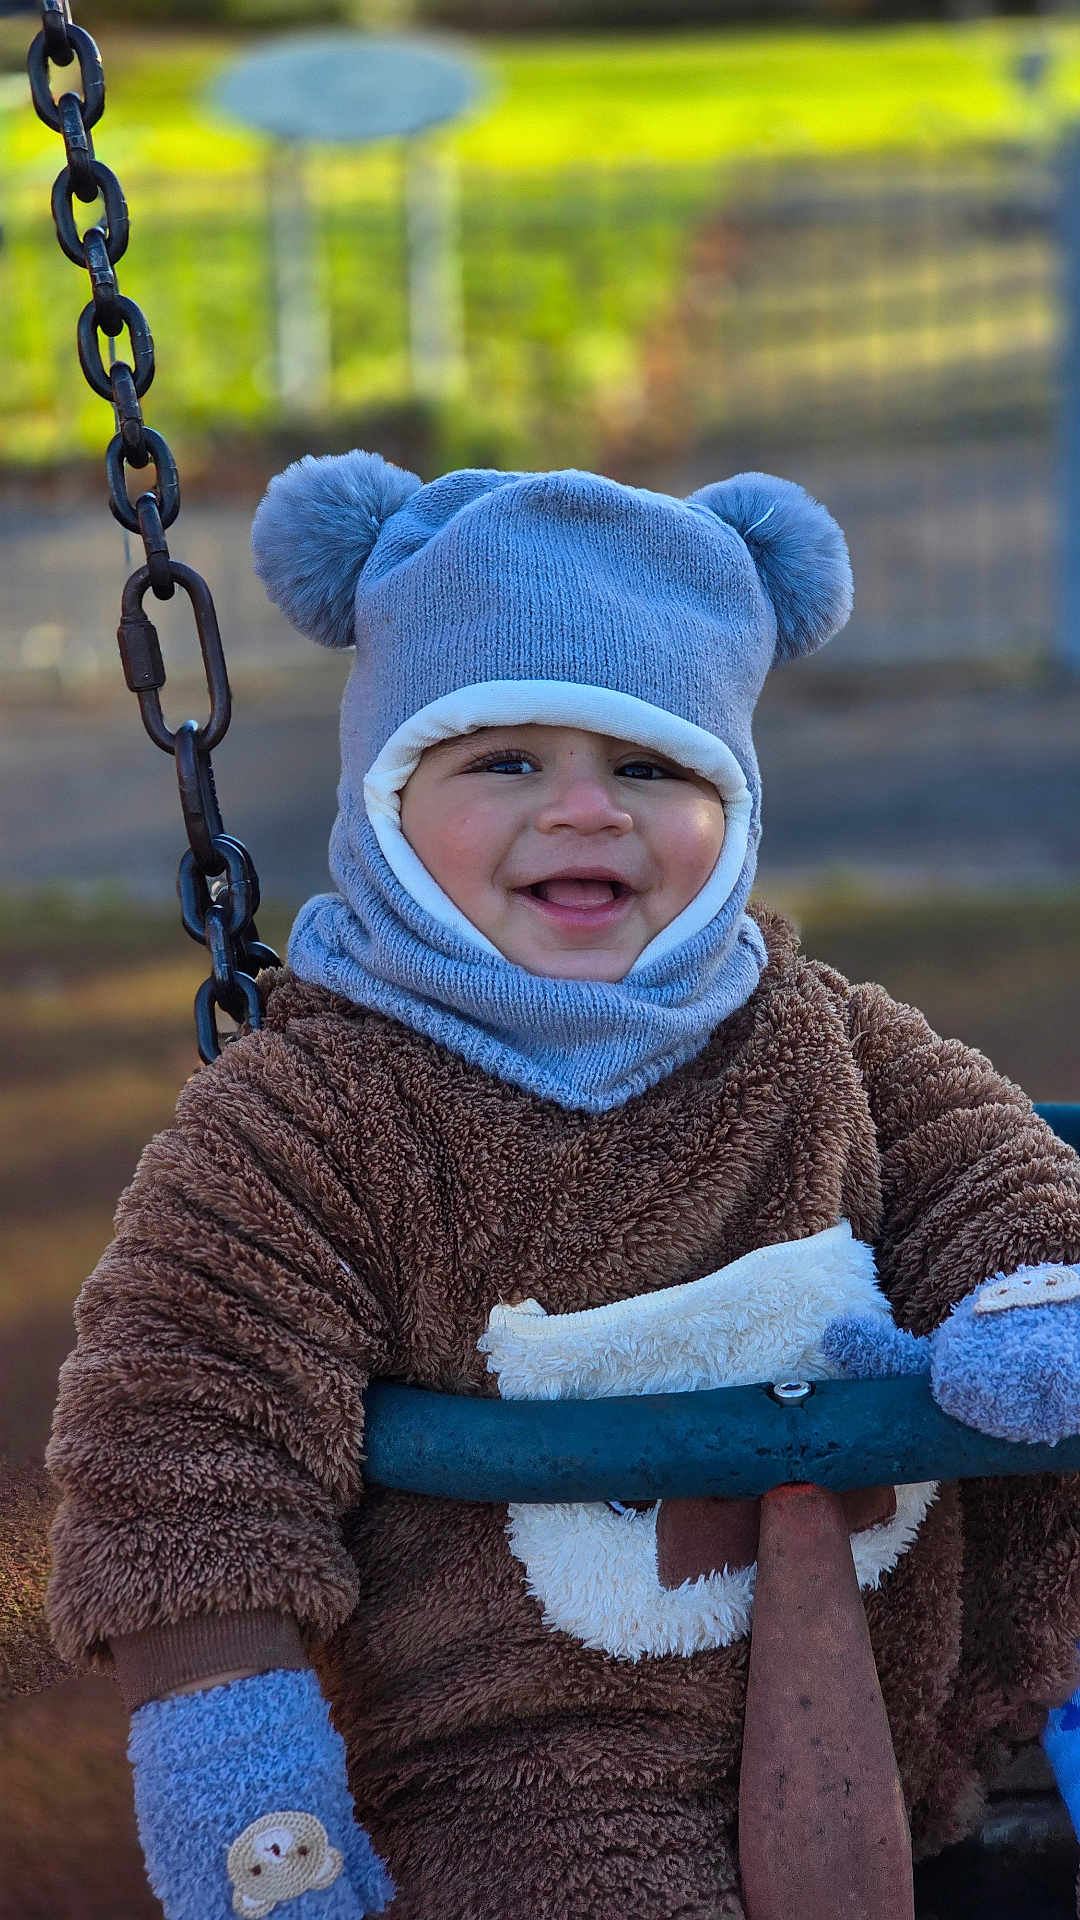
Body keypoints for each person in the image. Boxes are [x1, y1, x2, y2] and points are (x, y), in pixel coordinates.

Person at [44, 454, 1080, 1920]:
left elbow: (979, 1156)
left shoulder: (806, 1028)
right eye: (504, 761)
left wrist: (1035, 1289)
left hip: (909, 1712)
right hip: (528, 1778)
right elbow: (182, 1430)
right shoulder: (315, 1117)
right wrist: (241, 1777)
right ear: (388, 797)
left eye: (651, 767)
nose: (587, 813)